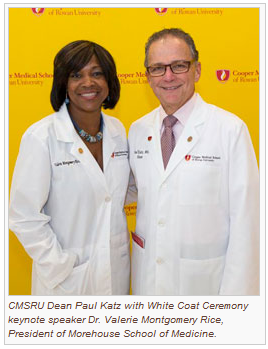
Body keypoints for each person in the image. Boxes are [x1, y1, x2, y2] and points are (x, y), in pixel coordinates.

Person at [128, 28, 259, 295]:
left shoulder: (230, 129)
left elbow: (249, 223)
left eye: (178, 65)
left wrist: (235, 307)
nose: (168, 76)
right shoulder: (137, 130)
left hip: (206, 288)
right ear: (147, 77)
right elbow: (123, 190)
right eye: (158, 68)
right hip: (148, 285)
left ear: (197, 70)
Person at [9, 40, 130, 295]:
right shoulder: (42, 137)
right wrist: (61, 266)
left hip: (113, 273)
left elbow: (117, 191)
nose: (88, 83)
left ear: (109, 81)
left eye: (97, 73)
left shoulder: (118, 130)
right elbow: (23, 215)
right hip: (65, 282)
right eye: (77, 75)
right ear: (64, 83)